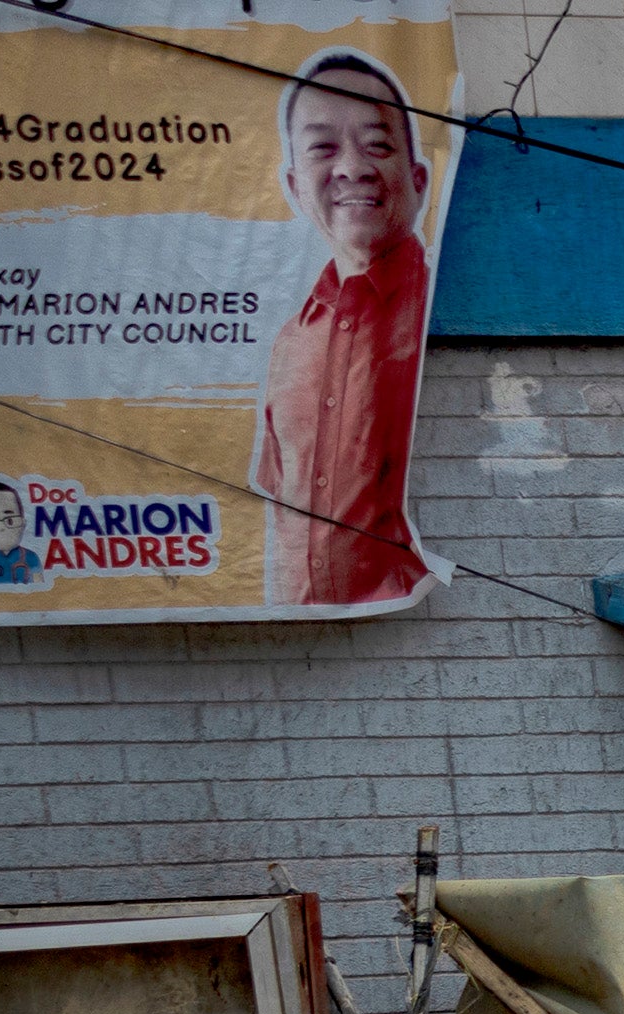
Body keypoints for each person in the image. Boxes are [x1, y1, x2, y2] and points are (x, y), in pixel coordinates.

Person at [253, 49, 436, 609]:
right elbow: (281, 508)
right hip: (304, 634)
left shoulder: (435, 311)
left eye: (378, 144)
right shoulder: (292, 341)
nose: (352, 167)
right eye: (322, 147)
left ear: (418, 177)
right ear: (293, 183)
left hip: (410, 630)